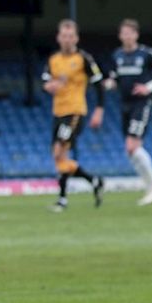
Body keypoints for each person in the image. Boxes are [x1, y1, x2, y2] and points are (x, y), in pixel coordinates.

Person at [42, 19, 106, 210]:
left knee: (60, 152)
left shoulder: (83, 59)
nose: (67, 39)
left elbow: (98, 83)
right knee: (58, 156)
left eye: (71, 36)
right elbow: (46, 84)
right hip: (58, 112)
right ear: (58, 38)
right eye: (64, 36)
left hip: (75, 111)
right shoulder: (53, 60)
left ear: (76, 38)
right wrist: (54, 85)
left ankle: (62, 200)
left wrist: (99, 109)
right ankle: (94, 181)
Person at [104, 18, 152, 206]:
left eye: (130, 32)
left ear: (136, 34)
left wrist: (148, 87)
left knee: (132, 145)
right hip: (125, 105)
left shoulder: (147, 54)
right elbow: (113, 78)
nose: (127, 36)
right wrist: (108, 84)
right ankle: (150, 187)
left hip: (142, 103)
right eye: (123, 33)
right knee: (131, 150)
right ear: (120, 36)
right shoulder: (117, 56)